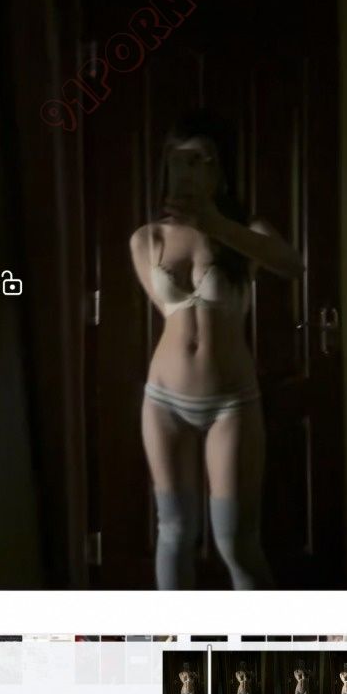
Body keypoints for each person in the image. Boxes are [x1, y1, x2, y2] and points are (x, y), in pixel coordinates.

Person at [130, 111, 303, 590]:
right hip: (164, 402)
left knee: (238, 544)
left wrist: (215, 224)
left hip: (232, 403)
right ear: (166, 166)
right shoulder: (147, 239)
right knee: (174, 532)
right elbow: (172, 315)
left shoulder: (245, 231)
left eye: (202, 159)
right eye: (179, 159)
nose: (190, 170)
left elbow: (293, 266)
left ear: (220, 168)